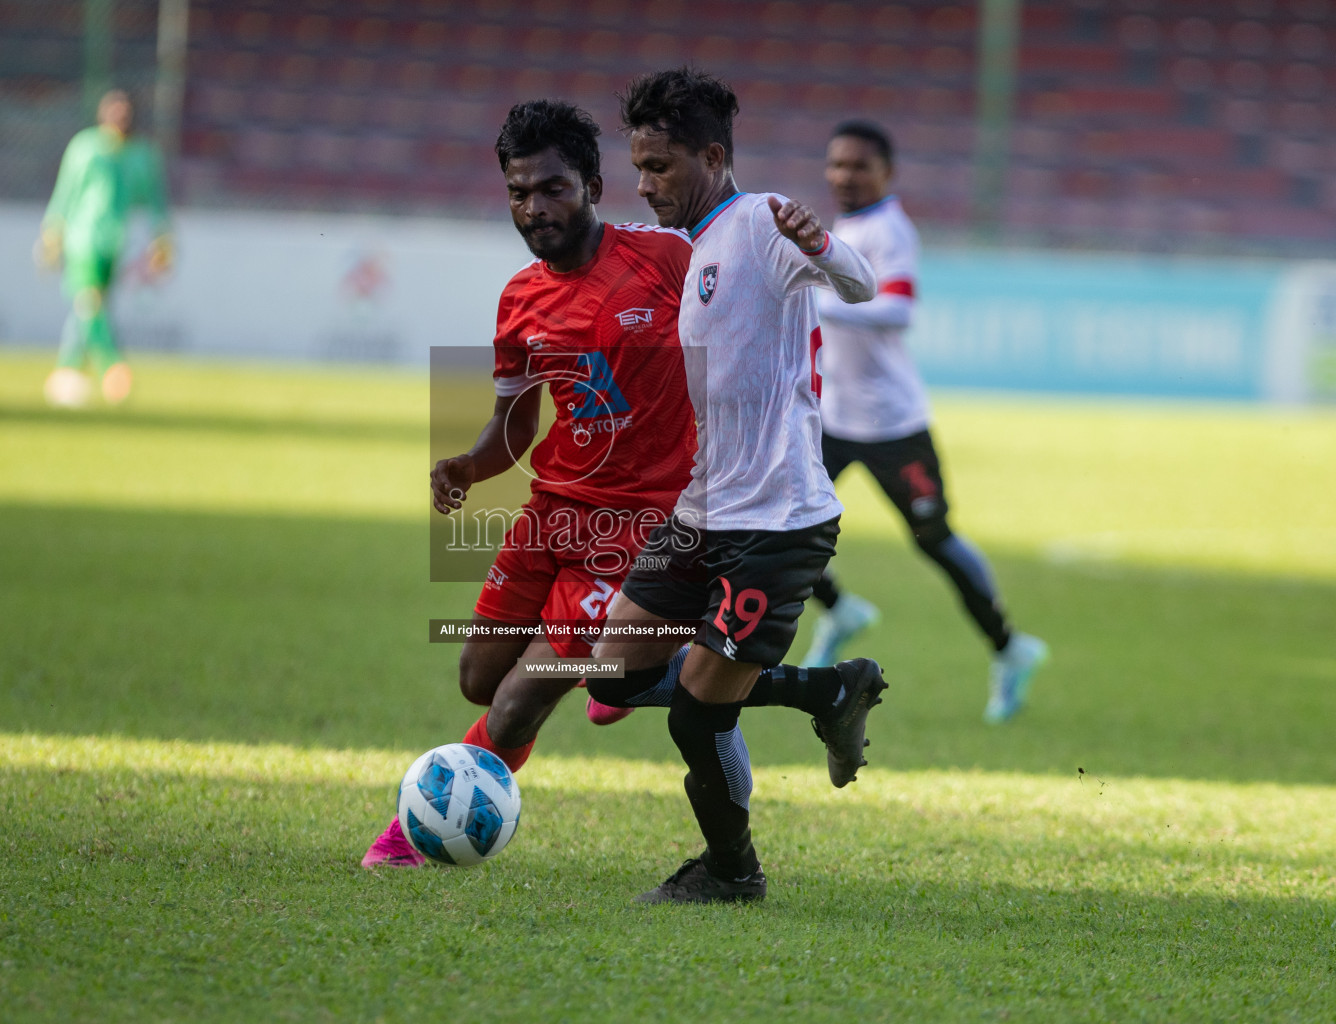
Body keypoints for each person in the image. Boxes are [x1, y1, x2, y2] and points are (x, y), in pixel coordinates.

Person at [362, 100, 698, 868]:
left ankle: (416, 832)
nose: (535, 209)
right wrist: (469, 467)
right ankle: (638, 664)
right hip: (549, 518)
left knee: (520, 698)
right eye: (520, 193)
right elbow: (514, 425)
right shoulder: (521, 299)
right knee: (480, 679)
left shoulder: (666, 262)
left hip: (634, 528)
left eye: (553, 189)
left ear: (593, 186)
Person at [584, 68, 887, 905]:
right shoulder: (697, 246)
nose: (645, 186)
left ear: (713, 156)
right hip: (703, 511)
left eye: (660, 168)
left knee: (695, 715)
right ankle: (829, 687)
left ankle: (732, 874)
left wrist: (820, 242)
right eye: (638, 167)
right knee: (609, 675)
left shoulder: (759, 223)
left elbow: (861, 283)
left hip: (780, 524)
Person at [803, 120, 1048, 725]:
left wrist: (818, 299)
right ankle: (840, 609)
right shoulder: (847, 227)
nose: (844, 175)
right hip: (833, 417)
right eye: (837, 164)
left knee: (933, 540)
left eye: (859, 165)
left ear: (887, 172)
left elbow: (898, 308)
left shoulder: (891, 230)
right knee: (776, 519)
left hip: (893, 426)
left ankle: (1010, 648)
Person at [36, 89, 171, 408]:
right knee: (89, 302)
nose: (120, 119)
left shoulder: (141, 155)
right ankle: (113, 367)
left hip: (114, 242)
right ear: (102, 115)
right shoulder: (85, 148)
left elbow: (156, 201)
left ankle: (67, 371)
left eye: (125, 113)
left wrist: (162, 238)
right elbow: (65, 193)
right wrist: (53, 231)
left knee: (89, 309)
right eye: (114, 112)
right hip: (82, 239)